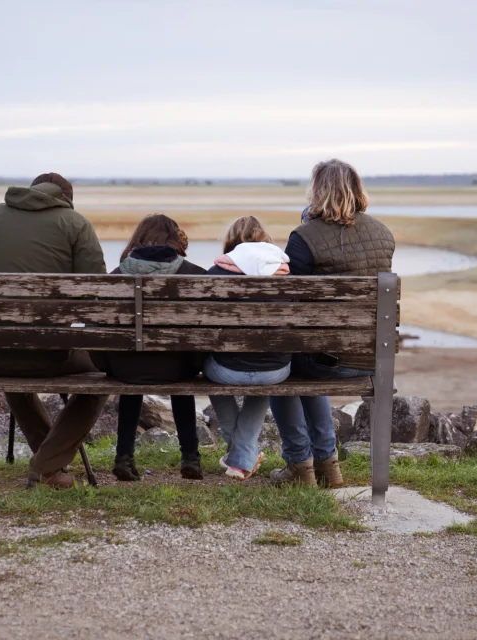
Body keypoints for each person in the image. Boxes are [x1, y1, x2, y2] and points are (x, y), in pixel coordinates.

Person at [0, 172, 108, 489]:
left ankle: (48, 464)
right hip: (50, 355)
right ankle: (47, 463)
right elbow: (94, 291)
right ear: (65, 198)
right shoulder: (75, 223)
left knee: (11, 363)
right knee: (105, 375)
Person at [269, 159, 395, 488]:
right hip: (370, 359)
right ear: (357, 188)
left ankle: (300, 466)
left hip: (325, 360)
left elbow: (286, 301)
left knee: (280, 367)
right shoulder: (383, 233)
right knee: (313, 359)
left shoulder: (304, 237)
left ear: (317, 190)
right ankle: (329, 466)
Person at [105, 214, 206, 481]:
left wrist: (108, 364)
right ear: (175, 239)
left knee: (133, 369)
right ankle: (191, 458)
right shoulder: (195, 274)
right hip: (178, 368)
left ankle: (123, 456)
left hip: (125, 368)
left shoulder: (116, 276)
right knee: (179, 370)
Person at [204, 216, 292, 480]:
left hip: (226, 370)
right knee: (265, 369)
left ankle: (241, 458)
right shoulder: (289, 273)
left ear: (231, 242)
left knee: (208, 371)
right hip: (276, 371)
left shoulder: (216, 273)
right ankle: (242, 459)